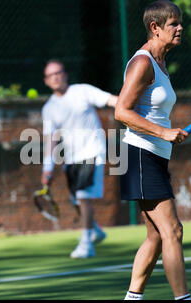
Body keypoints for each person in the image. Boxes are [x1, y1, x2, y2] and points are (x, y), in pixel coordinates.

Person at [114, 1, 191, 300]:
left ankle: (132, 299)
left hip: (153, 157)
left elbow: (152, 112)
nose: (180, 28)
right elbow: (122, 111)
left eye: (180, 22)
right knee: (173, 230)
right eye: (173, 24)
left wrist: (165, 135)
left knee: (157, 236)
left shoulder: (160, 63)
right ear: (155, 28)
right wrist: (163, 132)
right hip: (139, 156)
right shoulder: (142, 63)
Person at [41, 59, 118, 259]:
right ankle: (96, 231)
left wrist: (132, 105)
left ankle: (86, 244)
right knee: (76, 199)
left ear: (65, 75)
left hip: (92, 151)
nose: (56, 77)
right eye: (51, 75)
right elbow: (51, 140)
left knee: (83, 196)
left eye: (59, 72)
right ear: (46, 81)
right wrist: (46, 169)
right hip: (71, 158)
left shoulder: (82, 91)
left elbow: (111, 100)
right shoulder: (49, 108)